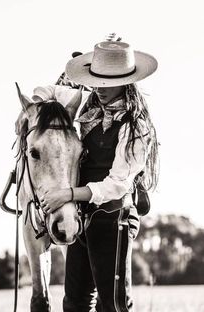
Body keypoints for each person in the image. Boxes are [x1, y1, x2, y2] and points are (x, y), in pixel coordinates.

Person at [32, 39, 159, 312]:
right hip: (83, 216)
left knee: (112, 304)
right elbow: (46, 90)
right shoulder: (85, 106)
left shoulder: (136, 126)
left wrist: (67, 195)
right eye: (97, 80)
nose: (101, 89)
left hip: (114, 216)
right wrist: (35, 105)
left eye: (109, 81)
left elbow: (117, 185)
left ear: (126, 81)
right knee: (75, 303)